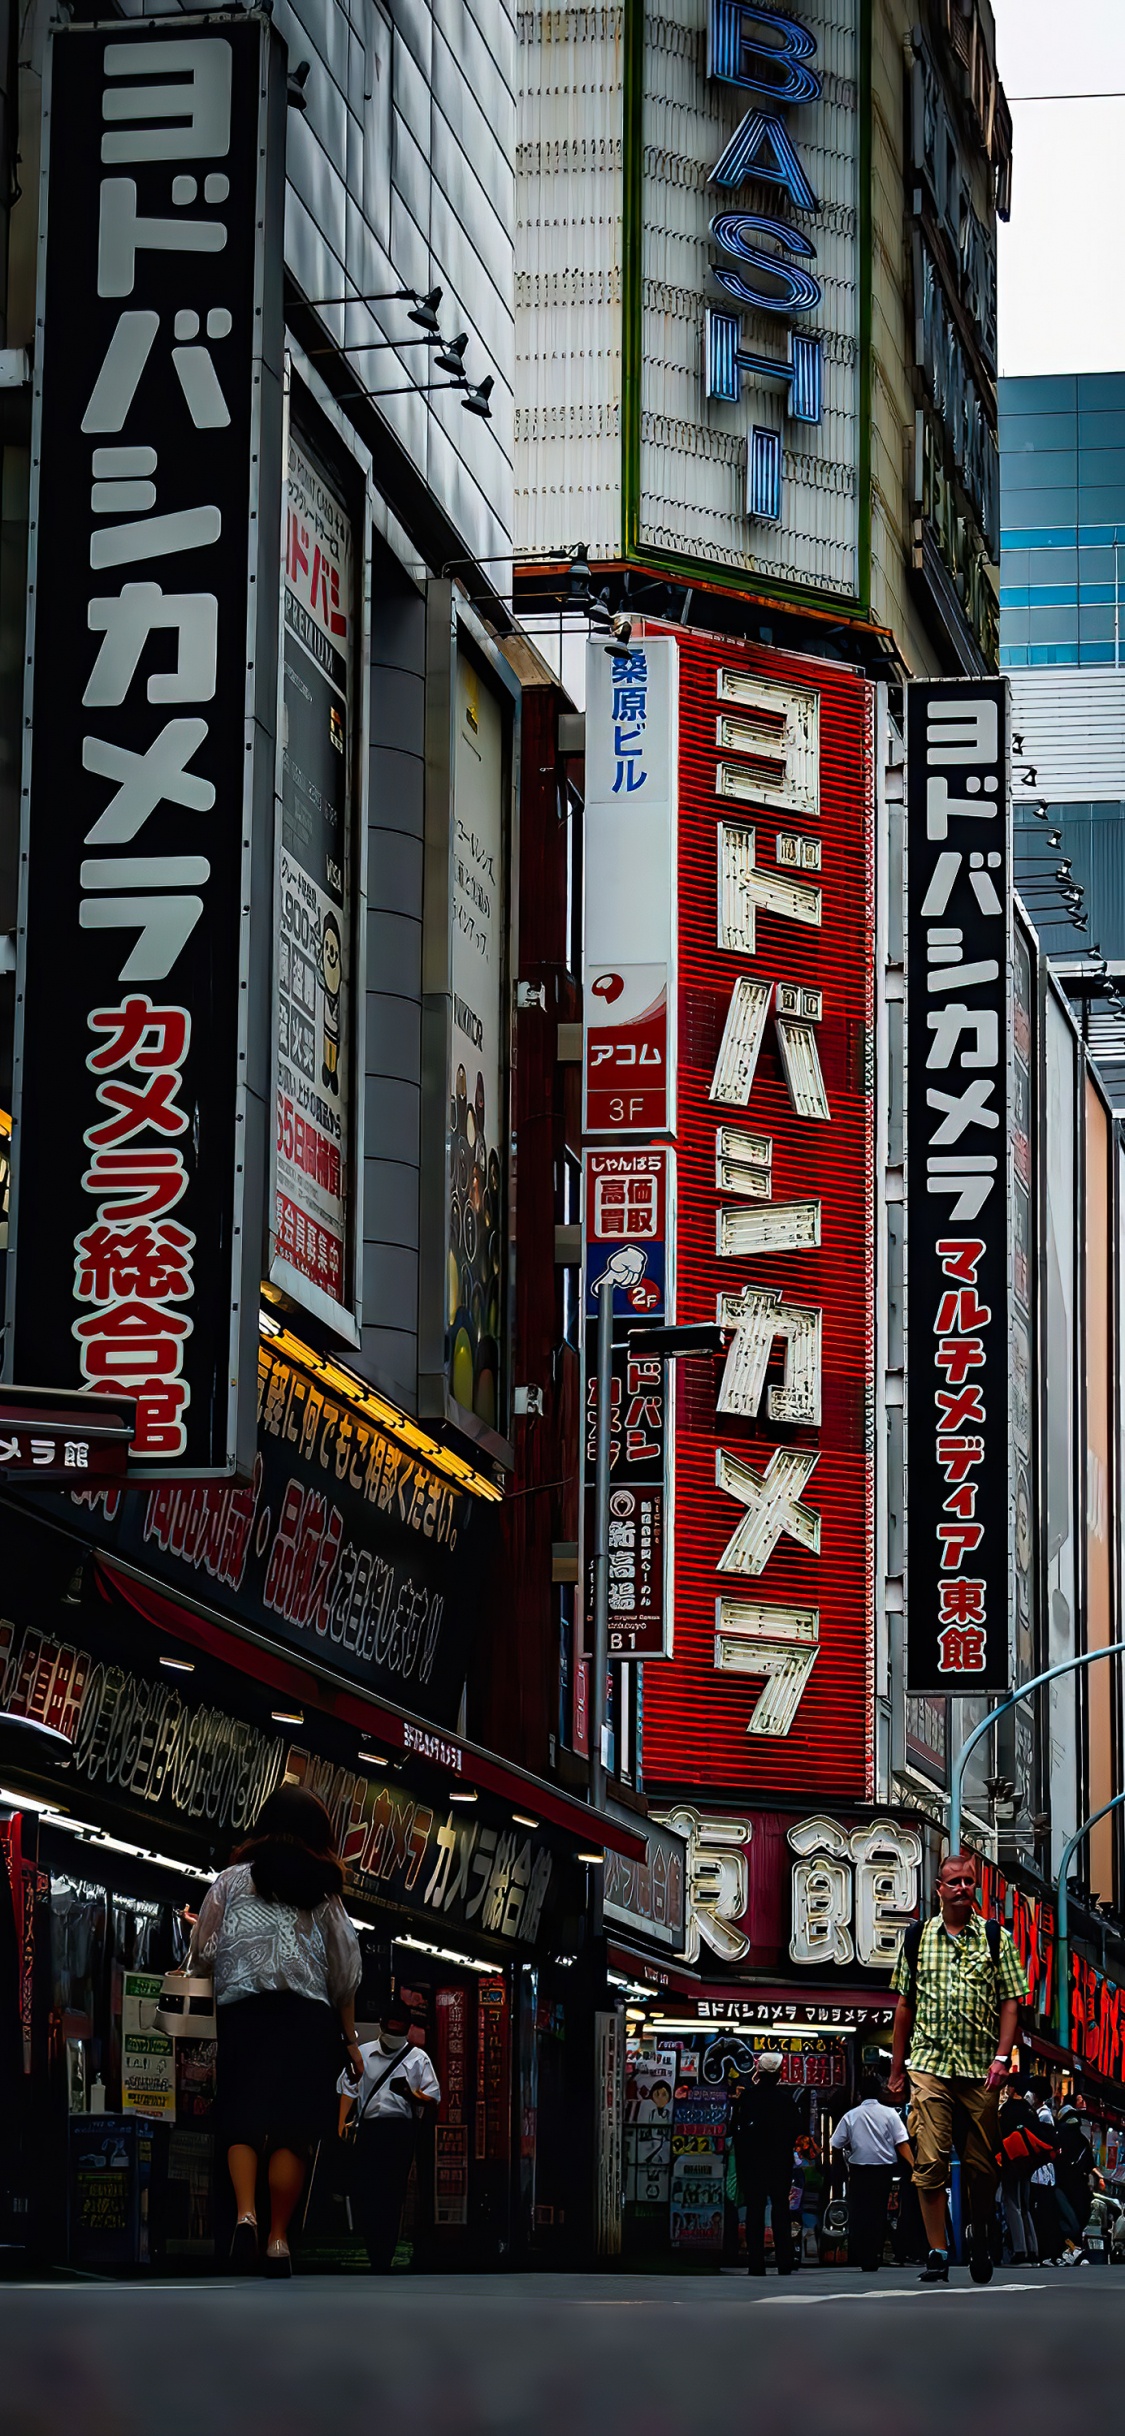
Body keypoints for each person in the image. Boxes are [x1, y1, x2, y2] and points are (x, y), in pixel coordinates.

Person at [187, 1783, 362, 2276]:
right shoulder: (324, 1896)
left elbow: (204, 1952)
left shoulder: (230, 1881)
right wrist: (350, 2040)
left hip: (244, 2013)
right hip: (306, 2020)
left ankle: (246, 2214)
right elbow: (344, 1973)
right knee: (293, 2129)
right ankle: (279, 2240)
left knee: (241, 2116)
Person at [888, 1850, 1029, 2286]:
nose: (963, 1888)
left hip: (979, 2069)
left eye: (968, 1881)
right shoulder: (916, 1938)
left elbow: (1011, 2001)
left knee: (982, 2166)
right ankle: (937, 2251)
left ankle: (981, 2234)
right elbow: (903, 2007)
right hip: (928, 2065)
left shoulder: (994, 1937)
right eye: (954, 1882)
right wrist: (896, 2069)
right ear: (939, 1890)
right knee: (928, 2160)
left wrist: (1002, 2057)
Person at [339, 1996, 441, 2270]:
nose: (395, 2036)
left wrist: (410, 2094)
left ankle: (383, 2254)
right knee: (367, 2191)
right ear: (382, 2026)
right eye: (391, 2030)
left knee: (393, 2192)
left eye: (400, 2031)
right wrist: (341, 2124)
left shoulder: (418, 2058)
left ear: (407, 2030)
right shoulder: (363, 2053)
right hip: (370, 2129)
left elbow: (433, 2097)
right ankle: (374, 2247)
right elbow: (348, 2087)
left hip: (400, 2130)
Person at [830, 2072, 913, 2272]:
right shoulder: (890, 2114)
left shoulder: (851, 2116)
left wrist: (839, 2167)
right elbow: (901, 2143)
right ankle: (875, 2253)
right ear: (879, 2093)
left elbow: (836, 2143)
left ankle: (862, 2254)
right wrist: (914, 2166)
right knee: (878, 2212)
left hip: (859, 2170)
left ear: (860, 2094)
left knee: (860, 2212)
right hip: (884, 2171)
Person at [732, 2051, 798, 2277]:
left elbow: (736, 2130)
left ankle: (756, 2263)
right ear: (779, 2073)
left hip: (752, 2163)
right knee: (781, 2210)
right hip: (779, 2163)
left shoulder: (747, 2098)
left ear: (758, 2073)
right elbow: (794, 2131)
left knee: (755, 2211)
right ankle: (784, 2262)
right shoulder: (786, 2100)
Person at [996, 2078, 1043, 2264]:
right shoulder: (1030, 2110)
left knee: (1011, 2203)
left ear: (1012, 2088)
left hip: (1011, 2161)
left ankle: (1019, 2249)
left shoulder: (1008, 2110)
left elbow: (1000, 2136)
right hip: (1028, 2162)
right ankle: (1033, 2248)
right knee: (1025, 2206)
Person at [1026, 2076, 1062, 2263]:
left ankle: (1048, 2252)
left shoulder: (1044, 2115)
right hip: (1038, 2173)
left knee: (1044, 2213)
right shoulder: (1036, 2113)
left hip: (1043, 2174)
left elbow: (1044, 2142)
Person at [1054, 2096, 1093, 2263]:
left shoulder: (1058, 2137)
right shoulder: (1082, 2140)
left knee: (1065, 2217)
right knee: (1077, 2217)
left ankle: (1068, 2249)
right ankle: (1074, 2248)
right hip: (1078, 2188)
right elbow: (1089, 2164)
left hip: (1061, 2185)